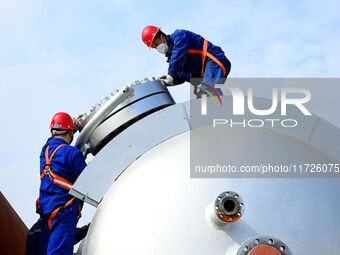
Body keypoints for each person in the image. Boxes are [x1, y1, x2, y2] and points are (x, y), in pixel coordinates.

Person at [26, 112, 87, 255]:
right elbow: (89, 182)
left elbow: (54, 142)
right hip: (64, 213)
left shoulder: (45, 151)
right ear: (70, 132)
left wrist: (71, 126)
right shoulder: (72, 154)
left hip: (47, 212)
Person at [141, 26, 231, 95]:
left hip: (214, 61)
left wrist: (170, 75)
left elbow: (178, 56)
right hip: (204, 74)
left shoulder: (179, 36)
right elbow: (180, 75)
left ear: (162, 37)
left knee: (207, 93)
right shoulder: (173, 60)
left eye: (156, 44)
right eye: (154, 47)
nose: (157, 48)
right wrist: (169, 81)